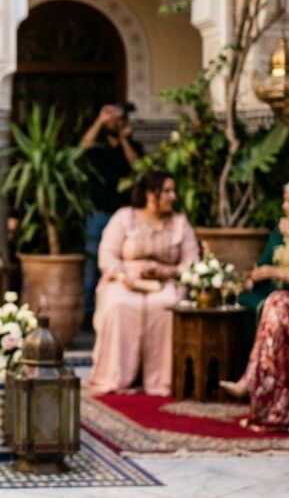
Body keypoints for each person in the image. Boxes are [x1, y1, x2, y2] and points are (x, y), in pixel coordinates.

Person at [88, 170, 200, 396]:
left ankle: (162, 380)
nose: (173, 196)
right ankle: (115, 377)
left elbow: (192, 261)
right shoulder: (124, 217)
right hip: (124, 281)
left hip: (165, 282)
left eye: (173, 191)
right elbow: (107, 254)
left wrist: (167, 271)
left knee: (167, 305)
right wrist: (123, 277)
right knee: (119, 305)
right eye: (167, 191)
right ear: (151, 194)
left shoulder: (179, 223)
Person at [219, 206, 289, 433]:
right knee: (275, 301)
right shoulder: (284, 229)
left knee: (277, 305)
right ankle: (254, 382)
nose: (285, 206)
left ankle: (251, 381)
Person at [235, 178, 289, 354]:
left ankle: (266, 369)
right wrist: (254, 277)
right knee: (241, 300)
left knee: (268, 305)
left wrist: (276, 272)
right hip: (272, 291)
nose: (284, 206)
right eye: (284, 200)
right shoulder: (281, 230)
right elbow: (264, 262)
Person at [80, 102, 144, 327]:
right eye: (112, 118)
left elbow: (138, 168)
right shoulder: (97, 147)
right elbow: (81, 149)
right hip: (98, 212)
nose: (115, 123)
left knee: (124, 262)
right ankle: (88, 314)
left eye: (119, 119)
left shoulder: (132, 146)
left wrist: (125, 139)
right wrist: (100, 120)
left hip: (125, 215)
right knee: (93, 262)